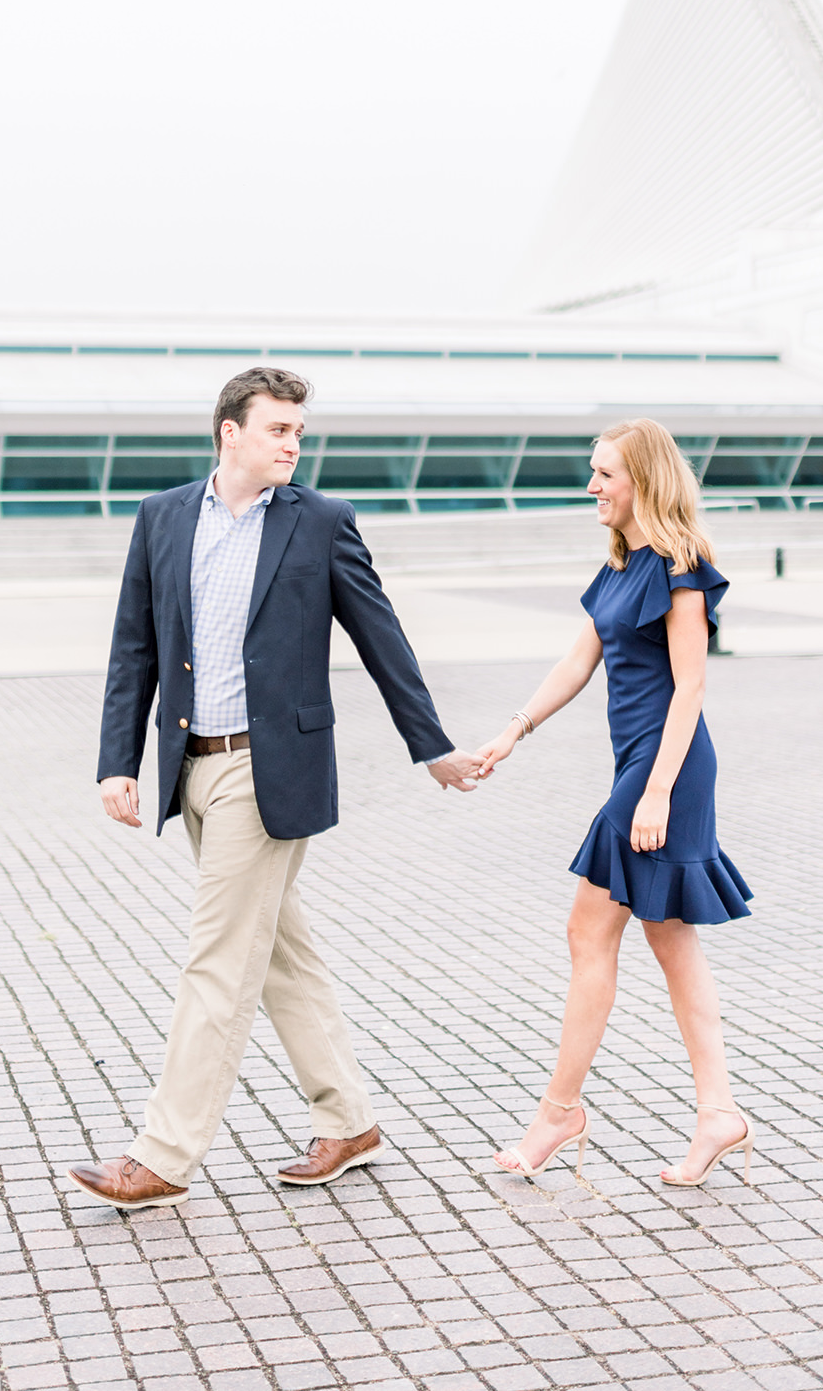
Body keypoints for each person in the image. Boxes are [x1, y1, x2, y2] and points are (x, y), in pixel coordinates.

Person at [67, 365, 480, 1211]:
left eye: (298, 430)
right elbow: (133, 648)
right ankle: (350, 1120)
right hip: (193, 768)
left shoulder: (321, 523)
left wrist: (428, 745)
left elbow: (382, 637)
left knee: (217, 961)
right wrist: (119, 761)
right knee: (281, 956)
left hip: (270, 768)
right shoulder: (164, 517)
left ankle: (164, 1155)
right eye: (278, 429)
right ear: (230, 432)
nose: (294, 443)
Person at [470, 417, 753, 1190]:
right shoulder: (621, 566)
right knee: (671, 941)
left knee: (588, 930)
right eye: (593, 472)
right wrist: (513, 731)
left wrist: (657, 790)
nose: (591, 486)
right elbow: (579, 658)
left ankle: (559, 1112)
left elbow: (690, 685)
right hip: (641, 763)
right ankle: (718, 1112)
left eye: (605, 474)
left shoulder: (680, 564)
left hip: (668, 768)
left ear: (643, 481)